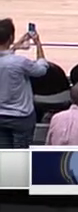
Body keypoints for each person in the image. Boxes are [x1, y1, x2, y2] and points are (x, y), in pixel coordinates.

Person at [0, 19, 47, 148]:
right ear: (11, 38)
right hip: (20, 117)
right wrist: (38, 44)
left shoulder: (15, 61)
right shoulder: (20, 62)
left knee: (4, 154)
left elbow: (4, 57)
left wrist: (16, 46)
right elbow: (41, 69)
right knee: (22, 155)